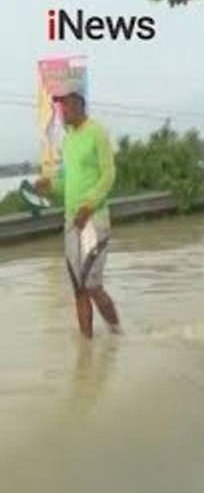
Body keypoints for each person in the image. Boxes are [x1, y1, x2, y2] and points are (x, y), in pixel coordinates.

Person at [35, 90, 119, 339]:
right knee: (78, 288)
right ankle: (86, 350)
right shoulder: (68, 139)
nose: (61, 114)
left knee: (92, 285)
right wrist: (49, 186)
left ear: (78, 107)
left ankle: (117, 332)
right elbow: (64, 183)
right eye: (60, 110)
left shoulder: (97, 132)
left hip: (93, 219)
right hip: (71, 222)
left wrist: (89, 206)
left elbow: (108, 175)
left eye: (65, 109)